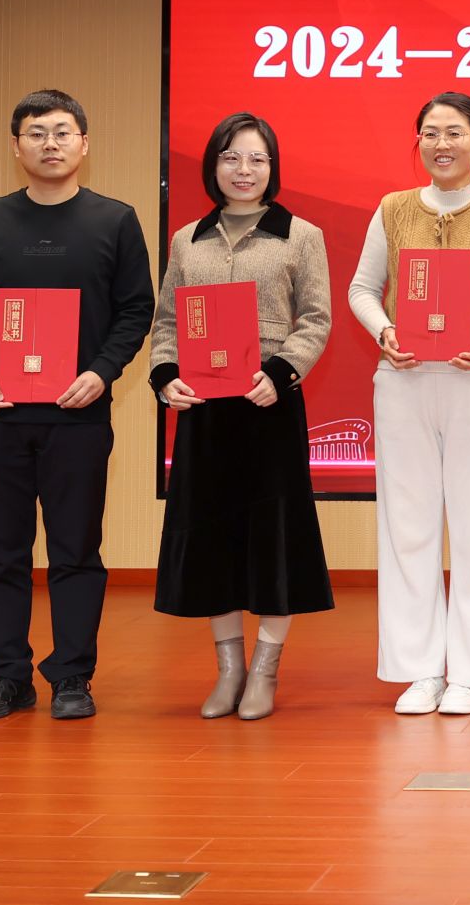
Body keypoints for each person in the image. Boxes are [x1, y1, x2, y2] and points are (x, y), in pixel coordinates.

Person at [0, 89, 154, 721]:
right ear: (17, 146)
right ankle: (5, 677)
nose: (50, 144)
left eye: (62, 132)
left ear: (84, 143)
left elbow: (135, 310)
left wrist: (101, 372)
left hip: (78, 415)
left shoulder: (115, 220)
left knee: (76, 551)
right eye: (36, 133)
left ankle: (72, 676)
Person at [347, 92, 470, 716]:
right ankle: (418, 670)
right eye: (430, 132)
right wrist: (384, 330)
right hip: (403, 381)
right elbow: (362, 289)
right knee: (407, 527)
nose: (442, 143)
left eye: (455, 132)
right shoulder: (392, 209)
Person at [149, 112, 334, 721]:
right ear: (214, 166)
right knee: (212, 538)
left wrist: (280, 373)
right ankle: (228, 669)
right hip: (205, 413)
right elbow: (167, 322)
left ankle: (265, 669)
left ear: (272, 168)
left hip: (268, 406)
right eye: (231, 157)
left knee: (273, 538)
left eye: (257, 158)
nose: (244, 169)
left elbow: (316, 319)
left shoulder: (300, 236)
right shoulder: (187, 239)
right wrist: (165, 375)